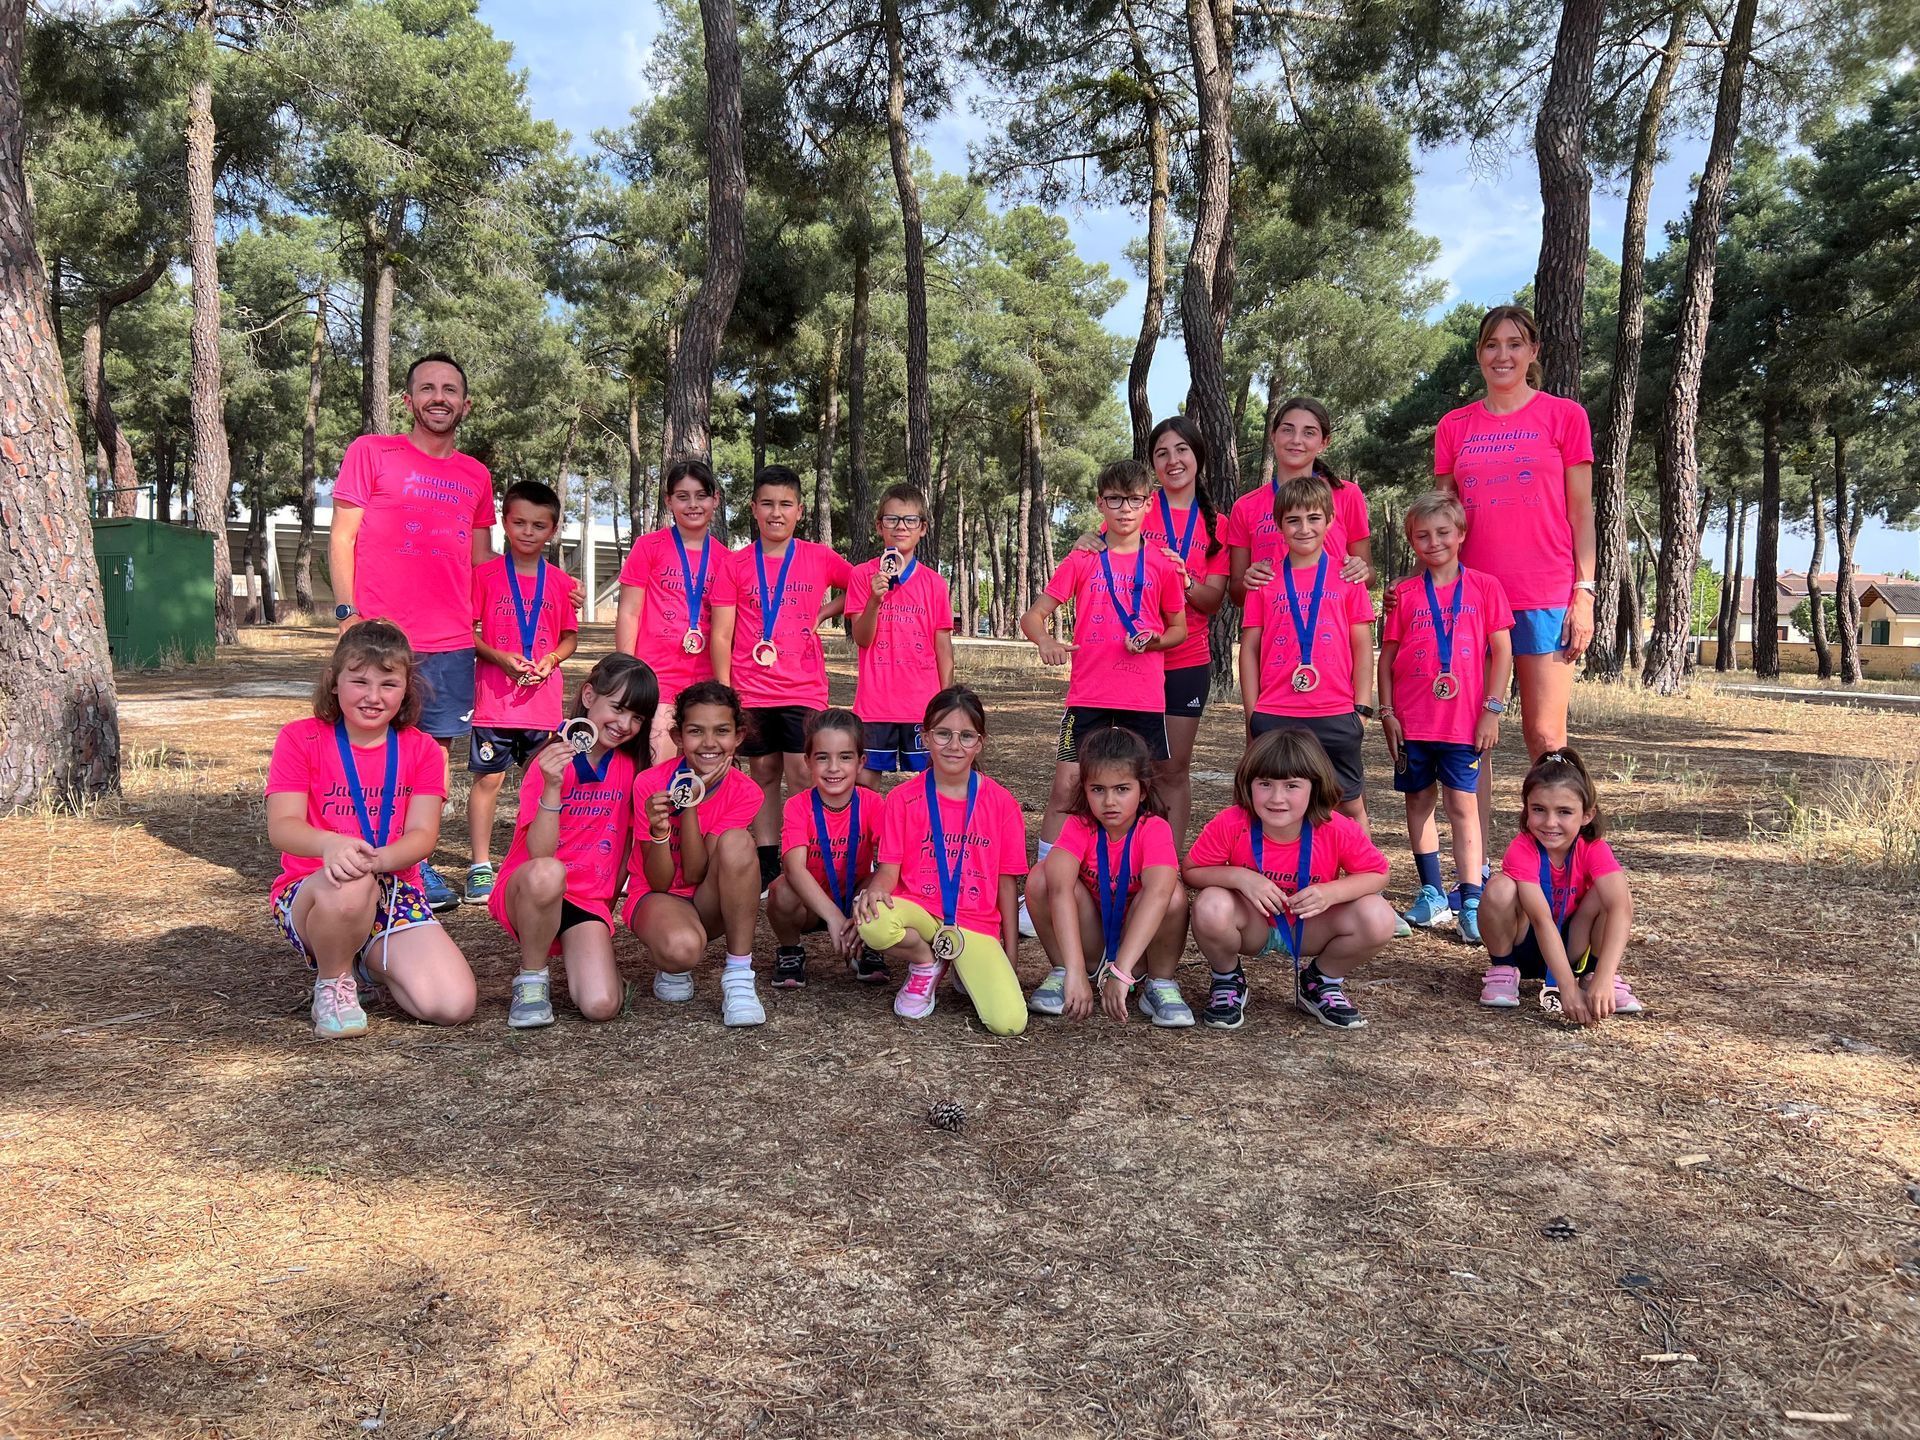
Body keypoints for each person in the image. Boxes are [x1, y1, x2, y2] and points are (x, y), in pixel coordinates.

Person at [1433, 305, 1597, 898]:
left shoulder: (1565, 416)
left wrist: (1584, 590)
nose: (1502, 355)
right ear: (1479, 354)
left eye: (1514, 343)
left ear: (1533, 352)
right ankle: (1475, 874)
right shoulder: (1455, 426)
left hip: (1545, 593)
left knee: (1546, 739)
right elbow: (1442, 519)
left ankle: (1557, 872)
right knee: (1467, 741)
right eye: (1491, 344)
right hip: (1470, 600)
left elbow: (1582, 512)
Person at [329, 353, 497, 913]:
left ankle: (414, 864)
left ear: (465, 405)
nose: (438, 397)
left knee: (430, 757)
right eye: (427, 388)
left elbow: (482, 562)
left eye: (450, 389)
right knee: (375, 750)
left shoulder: (476, 475)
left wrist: (543, 593)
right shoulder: (371, 452)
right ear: (409, 401)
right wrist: (348, 614)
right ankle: (371, 863)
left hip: (451, 640)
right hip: (382, 637)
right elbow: (342, 537)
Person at [264, 621, 477, 1038]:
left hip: (394, 890)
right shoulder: (300, 738)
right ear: (334, 682)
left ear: (407, 689)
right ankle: (333, 980)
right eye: (359, 681)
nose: (373, 697)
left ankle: (366, 961)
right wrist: (331, 845)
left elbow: (422, 835)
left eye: (388, 684)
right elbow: (283, 827)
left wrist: (380, 860)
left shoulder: (422, 749)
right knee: (351, 880)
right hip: (316, 891)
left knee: (452, 1005)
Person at [1018, 458, 1187, 936]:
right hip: (1088, 696)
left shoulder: (1162, 563)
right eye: (1115, 499)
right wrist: (1046, 642)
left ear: (1149, 505)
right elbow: (1033, 616)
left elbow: (1178, 629)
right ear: (1100, 504)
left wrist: (1154, 641)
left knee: (1145, 792)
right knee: (1067, 786)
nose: (1125, 509)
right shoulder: (1083, 558)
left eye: (1134, 500)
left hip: (1143, 699)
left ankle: (1145, 885)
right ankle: (1046, 885)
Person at [1062, 417, 1229, 847]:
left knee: (1170, 770)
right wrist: (1084, 540)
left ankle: (1164, 864)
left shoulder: (1217, 524)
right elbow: (1099, 556)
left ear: (1198, 455)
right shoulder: (1135, 508)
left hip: (1184, 659)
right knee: (1112, 769)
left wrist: (1183, 580)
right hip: (1125, 665)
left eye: (1182, 450)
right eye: (1162, 453)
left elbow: (1213, 601)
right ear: (1152, 466)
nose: (1173, 460)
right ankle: (1112, 857)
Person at [1182, 727, 1396, 1032]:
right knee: (1210, 904)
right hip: (1253, 925)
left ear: (1315, 787)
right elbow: (1191, 871)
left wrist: (1331, 893)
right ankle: (1227, 979)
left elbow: (1379, 873)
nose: (1277, 798)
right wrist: (1240, 877)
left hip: (1309, 926)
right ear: (1248, 784)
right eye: (1265, 784)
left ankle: (1321, 982)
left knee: (1378, 916)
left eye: (1292, 785)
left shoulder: (1336, 827)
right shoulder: (1232, 822)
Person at [487, 655, 657, 1029]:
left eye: (638, 718)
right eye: (618, 708)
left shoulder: (632, 768)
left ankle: (593, 964)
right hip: (532, 889)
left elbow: (624, 849)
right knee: (548, 873)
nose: (625, 725)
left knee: (601, 1005)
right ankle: (532, 979)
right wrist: (552, 785)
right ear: (589, 695)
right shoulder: (550, 760)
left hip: (586, 901)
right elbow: (540, 855)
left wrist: (604, 911)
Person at [1377, 492, 1514, 946]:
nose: (1433, 542)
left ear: (1461, 534)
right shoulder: (1404, 595)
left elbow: (1502, 653)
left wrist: (1492, 710)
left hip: (1463, 722)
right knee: (1418, 801)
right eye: (1422, 535)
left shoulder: (1486, 587)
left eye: (1442, 533)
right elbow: (1387, 658)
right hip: (1413, 721)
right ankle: (1432, 892)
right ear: (1412, 541)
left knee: (1462, 805)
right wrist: (1387, 713)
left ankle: (1471, 899)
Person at [854, 686, 1030, 1035]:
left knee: (1009, 1024)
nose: (954, 745)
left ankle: (963, 963)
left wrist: (1010, 954)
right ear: (925, 737)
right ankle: (926, 963)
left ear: (979, 743)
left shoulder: (1002, 803)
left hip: (974, 923)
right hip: (920, 910)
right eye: (943, 734)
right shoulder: (902, 799)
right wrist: (874, 892)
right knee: (873, 920)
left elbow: (1007, 884)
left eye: (966, 736)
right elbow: (888, 870)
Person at [710, 465, 853, 890]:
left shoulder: (818, 557)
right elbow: (721, 633)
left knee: (804, 771)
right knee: (764, 771)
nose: (776, 513)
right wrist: (725, 694)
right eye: (768, 504)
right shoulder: (735, 564)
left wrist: (824, 613)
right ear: (754, 508)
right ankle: (768, 859)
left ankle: (810, 852)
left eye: (786, 504)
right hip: (751, 688)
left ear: (800, 511)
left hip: (803, 687)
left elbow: (860, 586)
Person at [1025, 727, 1191, 1028]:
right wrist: (1075, 969)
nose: (1110, 801)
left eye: (1122, 789)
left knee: (1173, 895)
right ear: (1085, 789)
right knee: (1041, 878)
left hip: (1138, 949)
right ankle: (1065, 972)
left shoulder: (1154, 829)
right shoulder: (1079, 826)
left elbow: (1158, 893)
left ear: (1142, 790)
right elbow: (1059, 890)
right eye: (1098, 789)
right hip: (1091, 943)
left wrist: (1122, 971)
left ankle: (1159, 982)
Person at [1238, 474, 1377, 827]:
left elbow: (1362, 645)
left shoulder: (1347, 577)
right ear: (1279, 524)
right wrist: (1253, 714)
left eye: (1314, 518)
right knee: (1276, 806)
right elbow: (1249, 650)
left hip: (1335, 711)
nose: (1304, 529)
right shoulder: (1264, 581)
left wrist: (1361, 709)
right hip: (1276, 712)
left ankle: (1363, 866)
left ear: (1330, 521)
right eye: (1293, 520)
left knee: (1348, 805)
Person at [464, 480, 579, 904]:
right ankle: (480, 865)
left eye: (539, 525)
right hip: (494, 703)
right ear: (504, 523)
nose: (528, 532)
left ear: (553, 530)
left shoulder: (561, 583)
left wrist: (553, 660)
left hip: (542, 707)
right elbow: (468, 633)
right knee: (488, 781)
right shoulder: (485, 576)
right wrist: (498, 657)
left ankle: (535, 858)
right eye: (519, 523)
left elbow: (570, 637)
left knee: (543, 783)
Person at [626, 682, 767, 1026]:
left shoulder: (746, 792)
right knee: (681, 950)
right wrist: (660, 831)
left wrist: (690, 802)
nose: (709, 743)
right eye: (695, 731)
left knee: (738, 842)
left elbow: (695, 874)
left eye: (721, 731)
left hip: (707, 898)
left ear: (738, 736)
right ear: (677, 736)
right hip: (658, 896)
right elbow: (660, 882)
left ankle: (739, 977)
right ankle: (673, 960)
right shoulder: (649, 783)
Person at [1476, 747, 1641, 1022]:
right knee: (1499, 887)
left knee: (1616, 894)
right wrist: (1567, 988)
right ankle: (1504, 970)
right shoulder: (1522, 848)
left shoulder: (1594, 848)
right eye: (1538, 810)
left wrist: (1605, 975)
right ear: (1526, 809)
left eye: (1564, 812)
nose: (1550, 822)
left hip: (1574, 946)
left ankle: (1595, 977)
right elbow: (1541, 920)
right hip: (1528, 945)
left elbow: (1620, 910)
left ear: (1586, 815)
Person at [615, 458, 731, 764]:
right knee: (657, 769)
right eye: (682, 496)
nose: (692, 505)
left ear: (715, 499)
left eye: (701, 496)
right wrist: (627, 673)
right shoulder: (649, 547)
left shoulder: (726, 559)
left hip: (705, 682)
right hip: (656, 679)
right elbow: (628, 613)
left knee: (704, 771)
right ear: (669, 501)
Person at [847, 483, 955, 789]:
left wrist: (947, 704)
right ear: (879, 526)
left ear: (923, 528)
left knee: (932, 784)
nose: (901, 527)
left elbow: (943, 649)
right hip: (874, 705)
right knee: (864, 785)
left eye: (910, 520)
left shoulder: (934, 584)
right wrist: (874, 600)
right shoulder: (862, 575)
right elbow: (862, 639)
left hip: (923, 705)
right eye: (892, 519)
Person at [769, 709, 883, 989]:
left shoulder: (873, 803)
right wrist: (832, 916)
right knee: (781, 890)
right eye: (822, 757)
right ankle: (791, 950)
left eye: (845, 757)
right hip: (810, 903)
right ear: (807, 761)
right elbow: (794, 868)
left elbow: (891, 861)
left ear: (860, 762)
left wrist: (870, 896)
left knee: (883, 886)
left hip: (854, 899)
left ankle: (868, 943)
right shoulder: (798, 805)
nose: (834, 767)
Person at [1226, 397, 1373, 605]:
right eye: (1287, 430)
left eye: (1309, 433)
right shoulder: (1245, 506)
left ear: (1324, 443)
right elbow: (1236, 594)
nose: (1296, 440)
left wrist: (1360, 571)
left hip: (1335, 622)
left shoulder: (1347, 494)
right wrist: (1250, 581)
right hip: (1273, 623)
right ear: (1273, 436)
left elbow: (1369, 576)